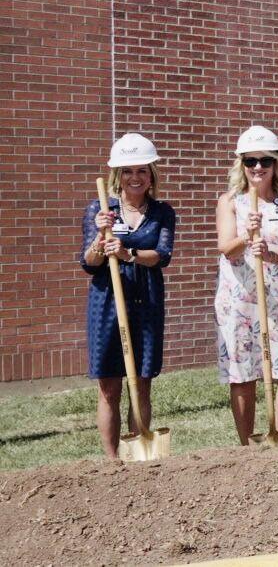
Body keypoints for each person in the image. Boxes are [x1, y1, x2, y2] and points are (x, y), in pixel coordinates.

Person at [81, 133, 176, 459]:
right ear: (117, 175)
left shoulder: (163, 212)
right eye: (128, 171)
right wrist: (99, 240)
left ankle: (140, 451)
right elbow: (88, 263)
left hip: (146, 300)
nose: (135, 178)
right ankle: (112, 461)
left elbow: (162, 255)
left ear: (151, 175)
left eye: (142, 171)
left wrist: (128, 252)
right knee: (109, 385)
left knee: (142, 380)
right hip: (108, 301)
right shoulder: (100, 209)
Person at [214, 126, 278, 445]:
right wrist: (246, 233)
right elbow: (227, 248)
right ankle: (247, 447)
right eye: (250, 161)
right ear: (241, 164)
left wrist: (269, 252)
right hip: (239, 300)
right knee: (242, 375)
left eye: (264, 161)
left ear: (276, 164)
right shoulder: (229, 202)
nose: (257, 168)